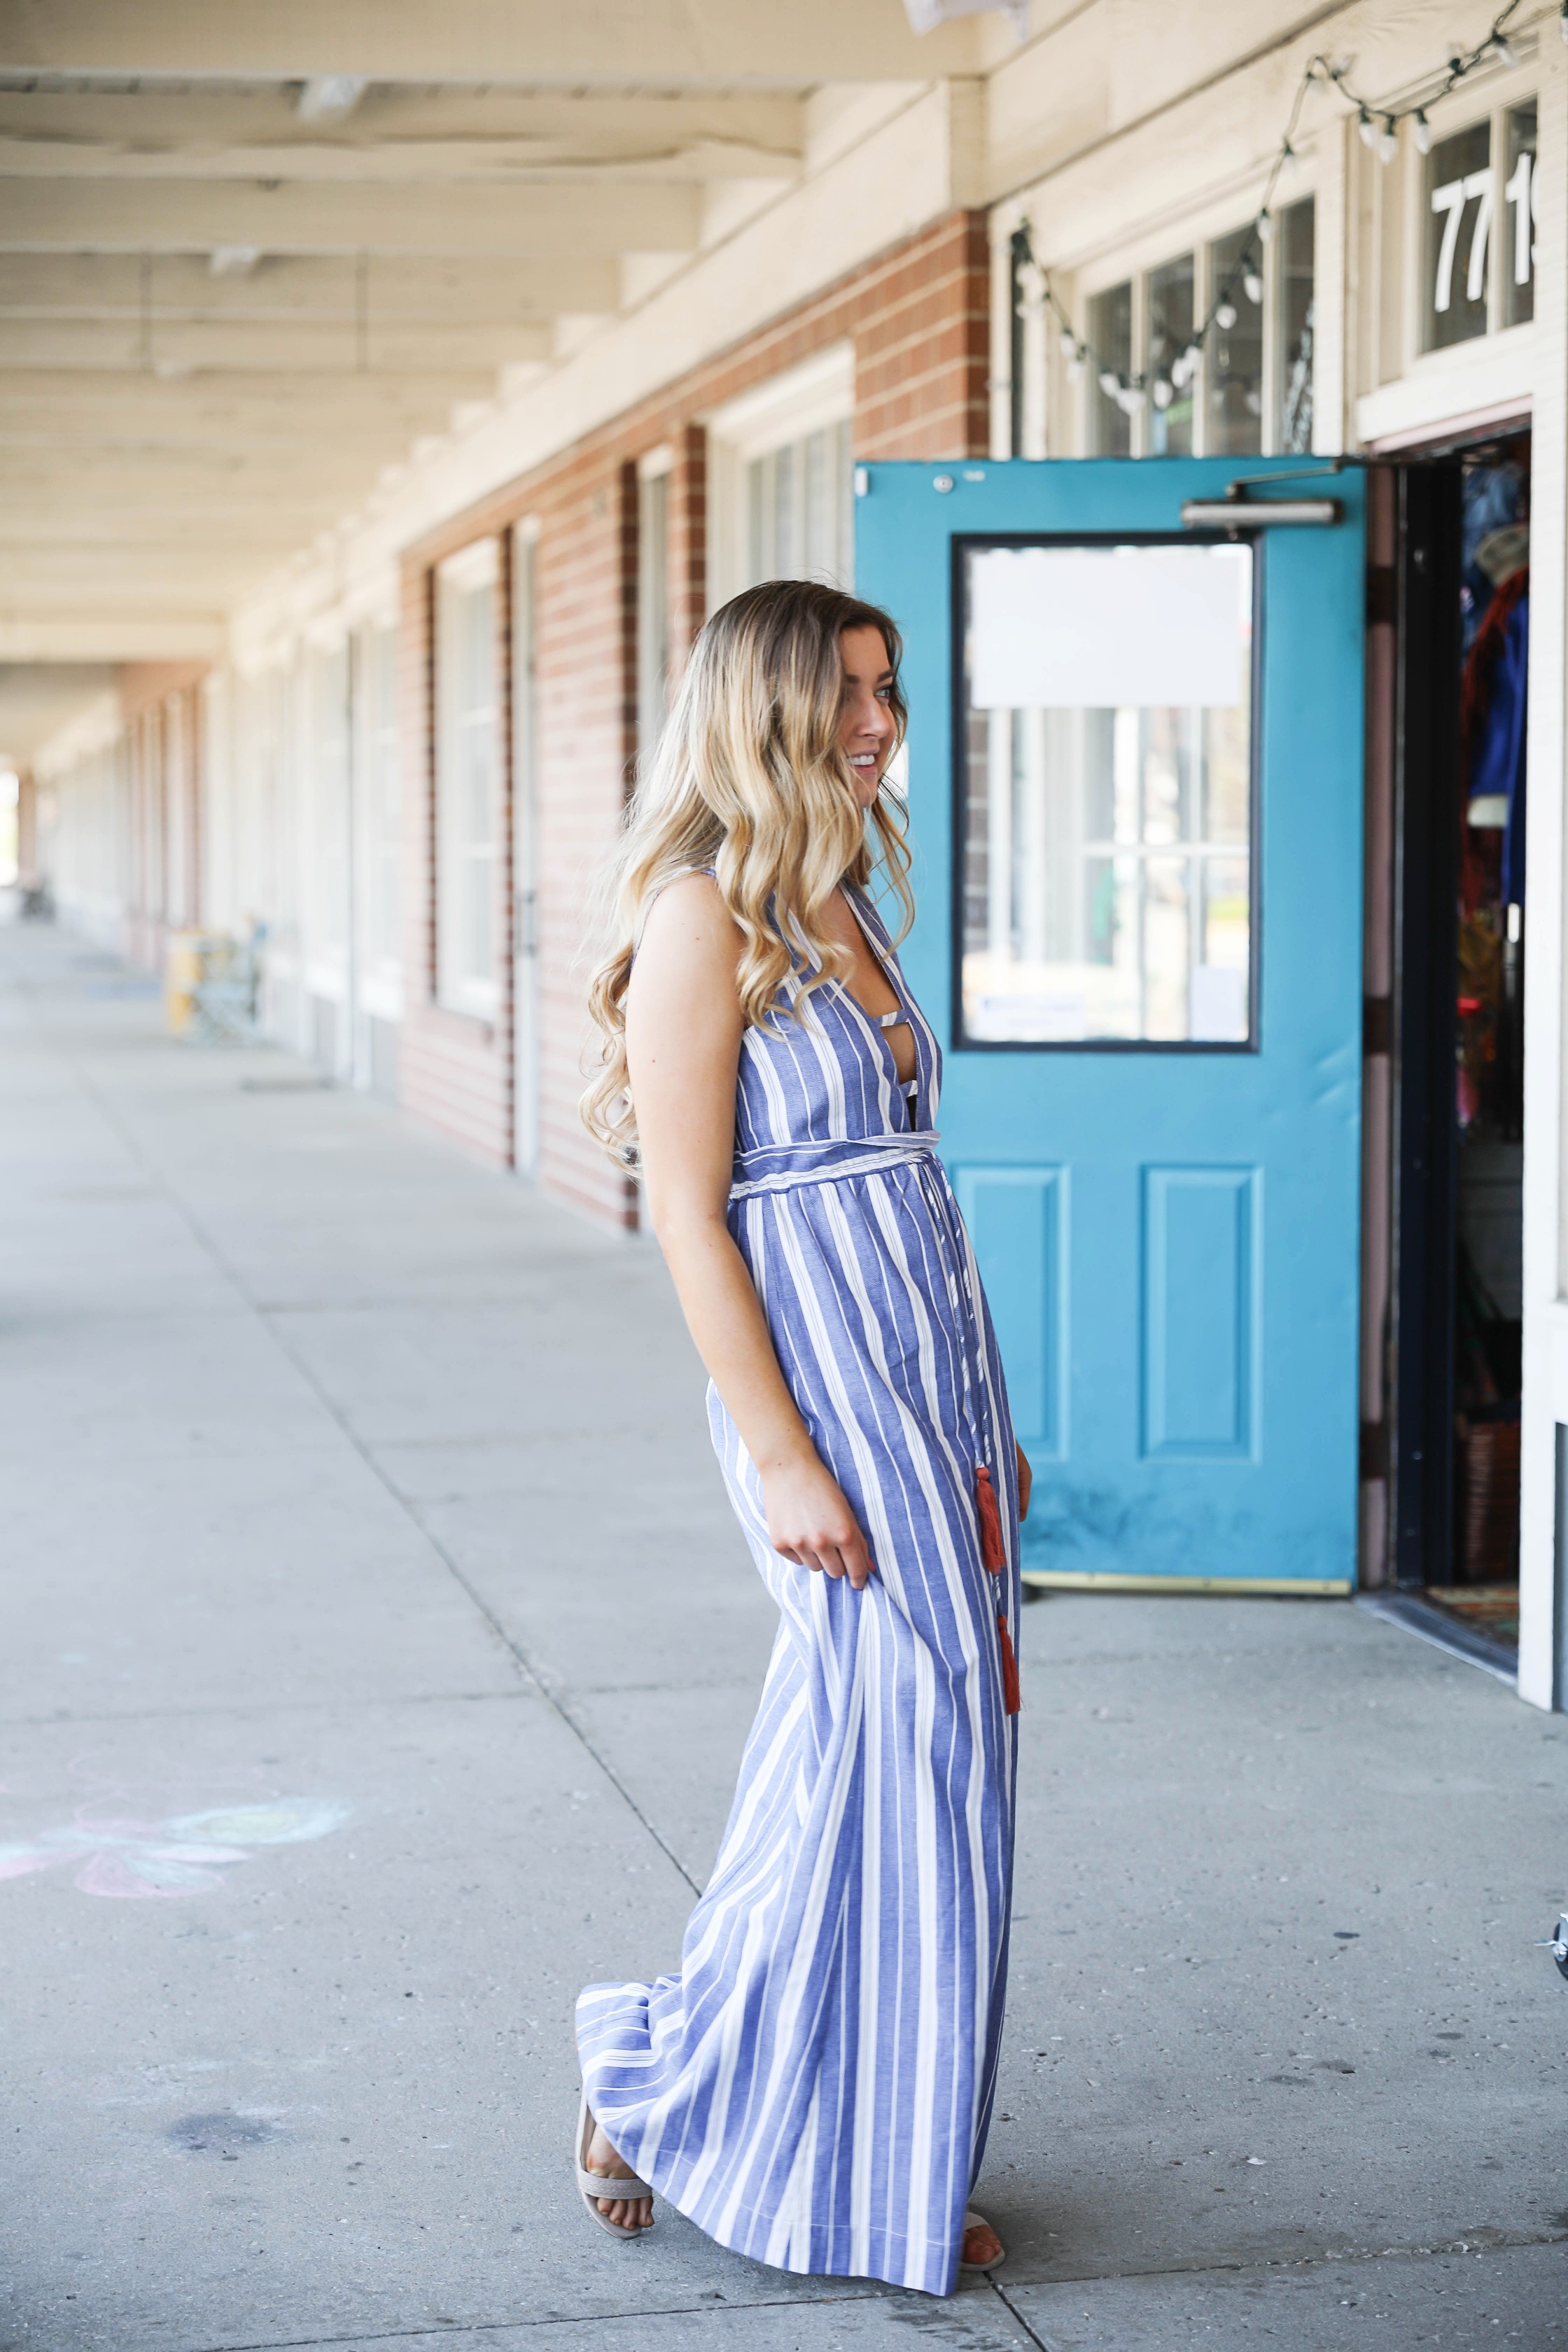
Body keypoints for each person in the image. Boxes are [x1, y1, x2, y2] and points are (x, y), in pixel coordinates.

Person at [574, 578, 1029, 2298]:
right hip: (822, 1397)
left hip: (933, 1392)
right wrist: (781, 1458)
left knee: (922, 1777)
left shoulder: (837, 891)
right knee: (884, 1769)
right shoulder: (702, 919)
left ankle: (861, 2134)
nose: (876, 717)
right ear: (756, 703)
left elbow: (912, 1190)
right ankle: (664, 2080)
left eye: (884, 687)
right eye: (845, 689)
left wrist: (991, 1431)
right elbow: (692, 1219)